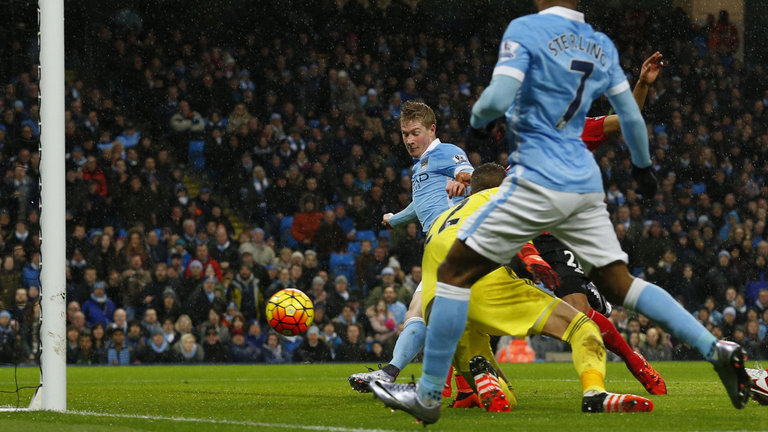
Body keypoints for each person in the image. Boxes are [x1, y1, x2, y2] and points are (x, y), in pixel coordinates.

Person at [374, 1, 749, 424]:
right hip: (555, 213)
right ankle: (712, 348)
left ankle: (435, 391)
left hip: (544, 219)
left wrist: (642, 85)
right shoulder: (550, 131)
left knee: (462, 280)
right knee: (610, 288)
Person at [371, 163, 652, 419]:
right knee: (582, 328)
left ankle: (485, 379)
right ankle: (595, 394)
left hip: (437, 304)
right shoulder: (501, 197)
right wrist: (533, 258)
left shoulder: (446, 215)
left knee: (505, 399)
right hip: (482, 283)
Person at [348, 100, 473, 390]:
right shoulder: (421, 166)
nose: (409, 139)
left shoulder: (446, 152)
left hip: (454, 245)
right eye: (405, 134)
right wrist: (395, 219)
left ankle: (394, 375)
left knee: (427, 314)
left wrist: (463, 181)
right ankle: (458, 385)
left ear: (432, 129)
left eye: (415, 132)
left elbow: (469, 173)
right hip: (438, 249)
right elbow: (421, 204)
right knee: (424, 315)